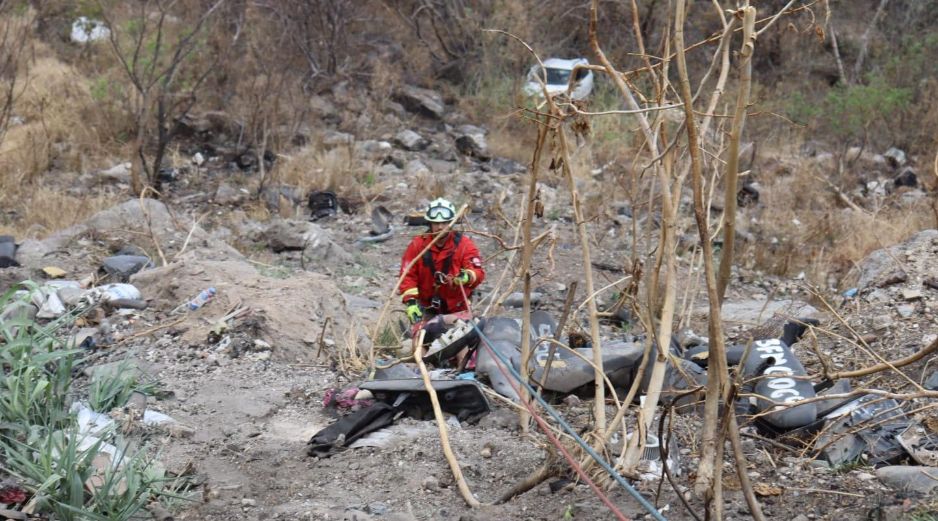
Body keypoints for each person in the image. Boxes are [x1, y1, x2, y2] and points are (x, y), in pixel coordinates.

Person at [398, 198, 485, 329]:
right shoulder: (417, 245)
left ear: (451, 223)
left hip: (457, 309)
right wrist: (411, 302)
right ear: (430, 223)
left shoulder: (464, 245)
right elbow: (407, 276)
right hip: (426, 309)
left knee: (462, 343)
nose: (440, 227)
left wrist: (467, 276)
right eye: (436, 223)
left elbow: (478, 272)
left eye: (444, 223)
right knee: (420, 342)